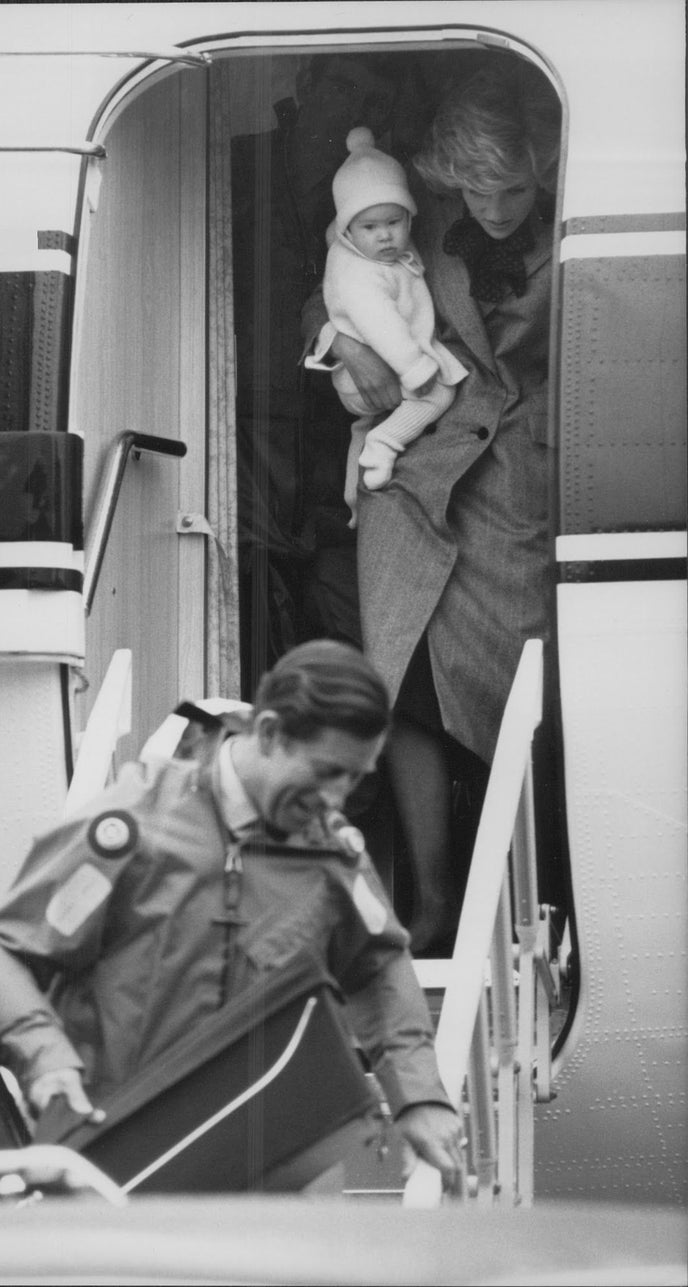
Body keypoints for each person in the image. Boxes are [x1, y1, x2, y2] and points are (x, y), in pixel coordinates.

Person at [0, 639, 465, 1187]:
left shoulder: (333, 857)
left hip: (276, 1168)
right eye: (326, 771)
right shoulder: (131, 827)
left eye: (356, 778)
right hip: (122, 1159)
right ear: (268, 733)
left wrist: (417, 1097)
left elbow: (377, 968)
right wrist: (46, 1058)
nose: (336, 798)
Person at [302, 62, 562, 953]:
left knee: (516, 680)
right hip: (415, 467)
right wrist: (335, 337)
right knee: (403, 677)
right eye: (476, 189)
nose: (494, 209)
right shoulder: (424, 217)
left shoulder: (575, 219)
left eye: (514, 188)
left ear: (544, 166)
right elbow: (333, 277)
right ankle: (433, 902)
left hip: (524, 474)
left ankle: (539, 891)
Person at [231, 54, 399, 689]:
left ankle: (351, 783)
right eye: (343, 87)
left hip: (340, 431)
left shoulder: (379, 193)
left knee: (348, 622)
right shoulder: (236, 167)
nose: (357, 109)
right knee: (252, 618)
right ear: (305, 86)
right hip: (245, 425)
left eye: (374, 99)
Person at [311, 125, 467, 526]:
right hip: (380, 368)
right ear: (347, 229)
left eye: (394, 223)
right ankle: (387, 442)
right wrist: (416, 367)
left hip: (371, 380)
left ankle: (354, 499)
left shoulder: (376, 251)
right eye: (370, 228)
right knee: (439, 397)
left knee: (363, 427)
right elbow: (380, 324)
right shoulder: (357, 272)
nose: (385, 236)